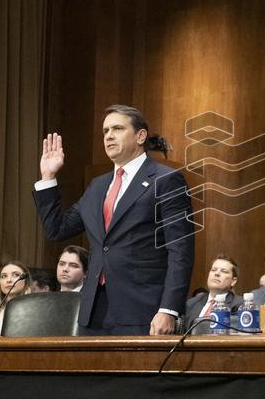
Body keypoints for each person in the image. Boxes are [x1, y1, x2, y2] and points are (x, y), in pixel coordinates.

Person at [34, 104, 195, 335]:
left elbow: (181, 250)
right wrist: (48, 177)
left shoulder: (166, 180)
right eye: (105, 131)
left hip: (144, 311)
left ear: (141, 136)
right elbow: (57, 229)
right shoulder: (98, 186)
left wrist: (169, 309)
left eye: (117, 128)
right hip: (93, 312)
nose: (109, 135)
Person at [183, 256, 243, 334]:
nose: (217, 273)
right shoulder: (191, 303)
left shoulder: (240, 305)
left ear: (233, 281)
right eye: (213, 270)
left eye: (224, 271)